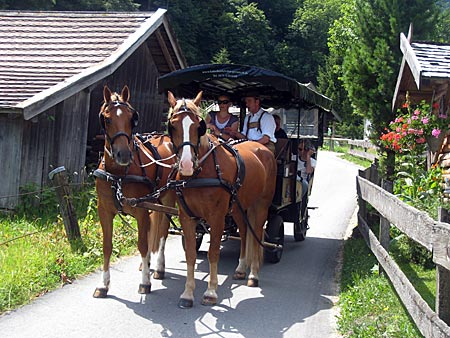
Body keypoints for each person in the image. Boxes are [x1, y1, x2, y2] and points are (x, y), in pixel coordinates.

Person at [297, 139, 317, 215]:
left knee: (304, 184)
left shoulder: (312, 161)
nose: (300, 151)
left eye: (302, 149)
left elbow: (309, 171)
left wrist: (308, 157)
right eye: (299, 149)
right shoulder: (294, 157)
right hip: (294, 178)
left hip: (303, 181)